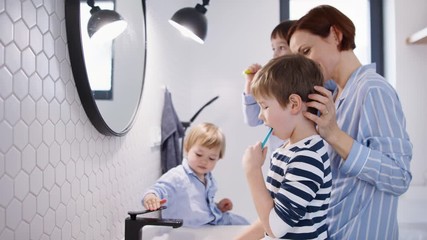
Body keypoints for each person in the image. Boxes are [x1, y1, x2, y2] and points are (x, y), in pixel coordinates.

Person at [287, 5, 412, 239]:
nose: (303, 63)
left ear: (335, 35)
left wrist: (334, 135)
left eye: (306, 50)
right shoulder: (335, 96)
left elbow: (399, 177)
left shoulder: (372, 89)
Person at [236, 54, 332, 240]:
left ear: (294, 104)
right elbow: (269, 218)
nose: (260, 116)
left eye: (264, 107)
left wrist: (252, 171)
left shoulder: (307, 158)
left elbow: (274, 228)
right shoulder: (285, 150)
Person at [142, 122, 249, 227]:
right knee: (246, 229)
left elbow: (201, 205)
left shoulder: (208, 178)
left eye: (211, 158)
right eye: (199, 154)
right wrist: (151, 197)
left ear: (218, 158)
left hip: (211, 222)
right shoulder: (178, 176)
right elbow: (159, 189)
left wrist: (218, 206)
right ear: (187, 148)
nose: (204, 161)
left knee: (245, 225)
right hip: (189, 231)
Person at [242, 20, 296, 151]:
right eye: (273, 48)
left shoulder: (307, 82)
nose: (275, 54)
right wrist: (250, 82)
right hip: (278, 159)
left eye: (281, 47)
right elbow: (253, 119)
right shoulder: (272, 82)